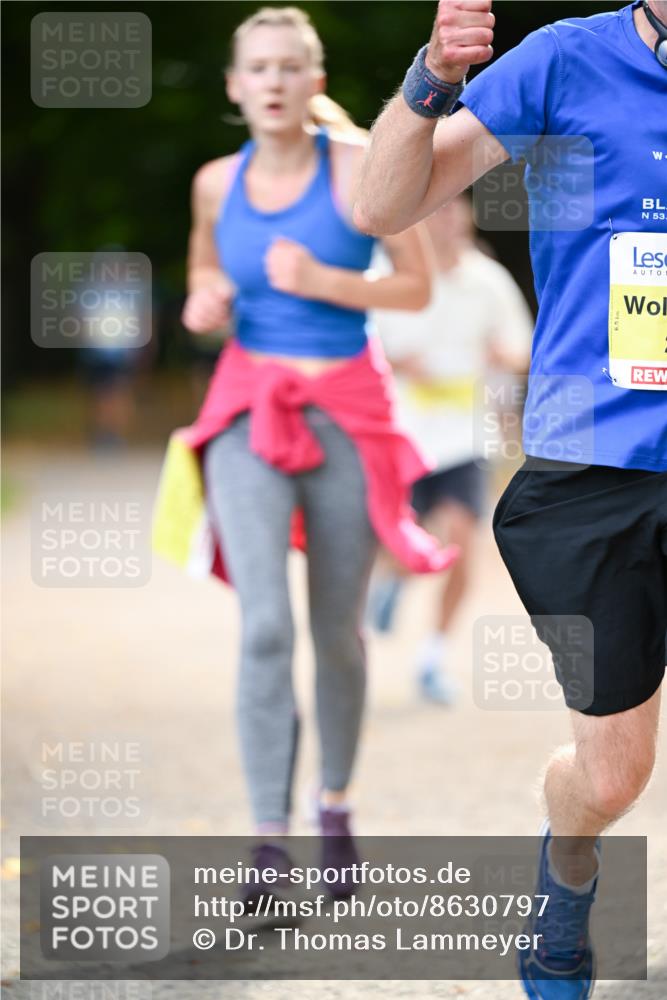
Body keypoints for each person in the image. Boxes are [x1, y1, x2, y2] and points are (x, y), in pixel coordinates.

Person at [354, 0, 666, 996]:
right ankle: (566, 884)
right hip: (596, 470)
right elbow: (384, 203)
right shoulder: (565, 63)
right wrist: (428, 79)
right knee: (611, 776)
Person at [178, 6, 457, 906]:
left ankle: (333, 805)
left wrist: (326, 281)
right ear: (234, 85)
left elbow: (415, 286)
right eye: (255, 68)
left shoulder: (360, 169)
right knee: (265, 626)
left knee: (336, 633)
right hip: (246, 410)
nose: (271, 81)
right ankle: (269, 843)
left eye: (289, 66)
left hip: (345, 409)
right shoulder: (216, 184)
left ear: (315, 81)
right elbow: (200, 272)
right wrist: (204, 300)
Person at [367, 193, 532, 703]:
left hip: (467, 432)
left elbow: (524, 348)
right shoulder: (381, 274)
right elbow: (357, 344)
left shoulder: (488, 280)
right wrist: (394, 362)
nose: (445, 218)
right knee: (400, 538)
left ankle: (433, 657)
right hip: (400, 429)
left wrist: (502, 354)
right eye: (433, 210)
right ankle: (392, 580)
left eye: (453, 208)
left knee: (460, 538)